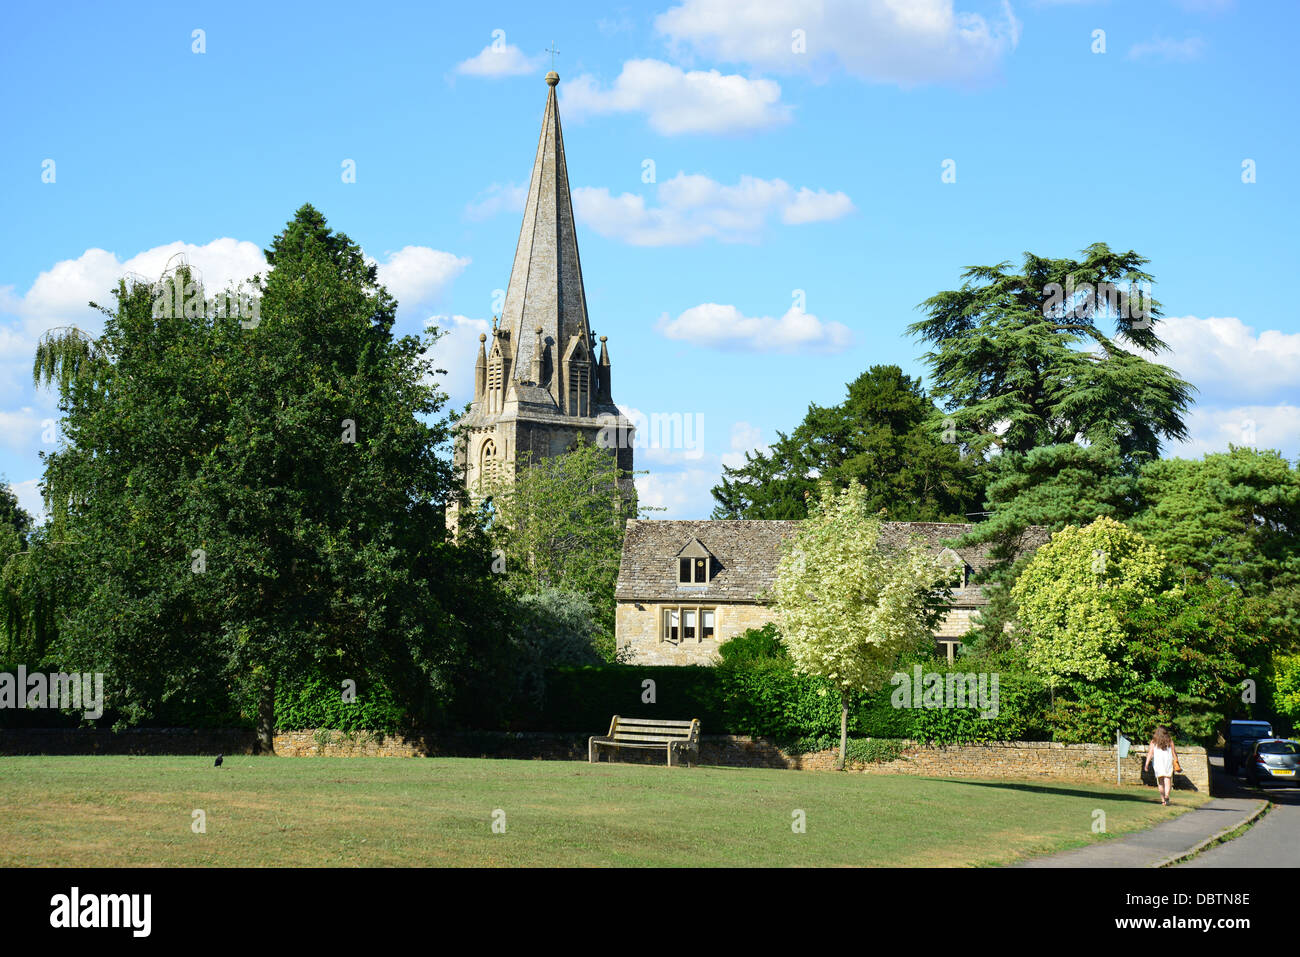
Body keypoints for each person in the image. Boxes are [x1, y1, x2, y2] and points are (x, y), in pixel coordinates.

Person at [1144, 726, 1179, 806]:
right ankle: (1167, 795)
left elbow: (1150, 753)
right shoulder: (1169, 741)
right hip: (1167, 763)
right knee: (1167, 781)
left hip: (1158, 764)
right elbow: (1173, 753)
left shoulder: (1153, 742)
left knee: (1160, 783)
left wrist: (1146, 764)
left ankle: (1163, 800)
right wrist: (1177, 762)